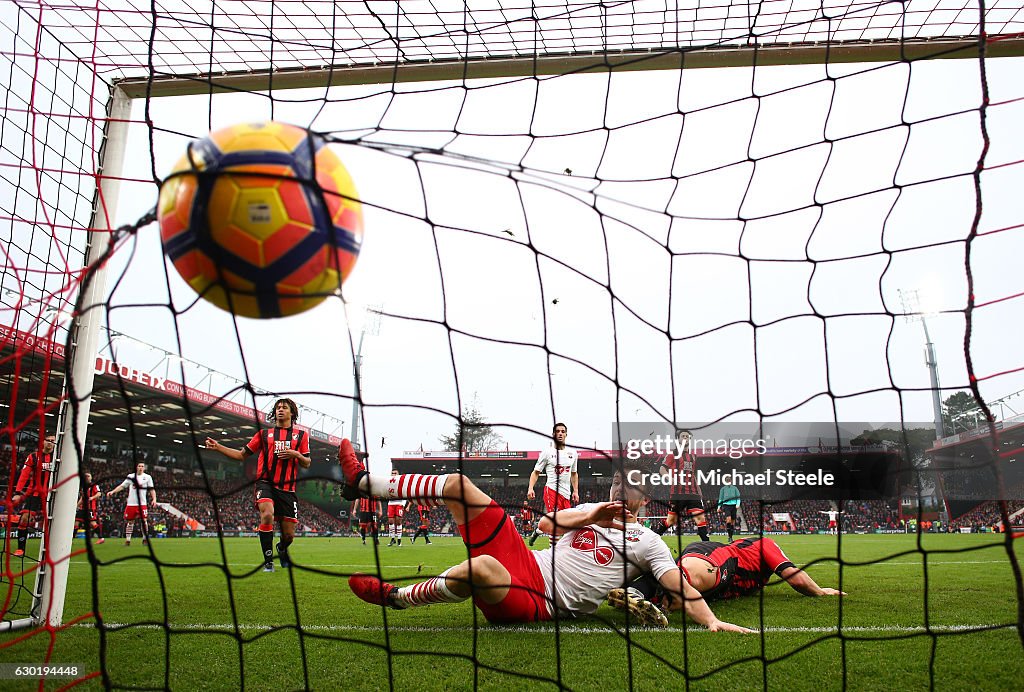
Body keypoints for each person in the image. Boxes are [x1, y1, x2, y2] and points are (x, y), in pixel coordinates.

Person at [340, 439, 750, 632]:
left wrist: (711, 620)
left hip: (540, 602)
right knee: (459, 485)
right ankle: (364, 483)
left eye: (635, 484)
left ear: (645, 497)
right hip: (525, 559)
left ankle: (396, 598)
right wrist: (594, 515)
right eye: (619, 482)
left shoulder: (648, 541)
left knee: (482, 568)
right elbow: (544, 526)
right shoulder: (587, 511)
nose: (624, 487)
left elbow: (676, 582)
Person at [610, 536, 845, 620]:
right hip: (721, 558)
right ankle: (643, 593)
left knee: (683, 586)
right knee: (693, 579)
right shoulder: (765, 544)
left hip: (719, 575)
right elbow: (797, 580)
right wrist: (820, 591)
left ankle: (641, 592)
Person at [205, 398, 311, 572]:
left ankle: (282, 548)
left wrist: (296, 454)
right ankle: (268, 561)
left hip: (287, 488)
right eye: (278, 408)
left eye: (284, 408)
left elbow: (307, 462)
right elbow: (241, 455)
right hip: (265, 483)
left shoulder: (301, 436)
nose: (280, 410)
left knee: (289, 536)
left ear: (292, 413)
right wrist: (219, 447)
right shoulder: (263, 434)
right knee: (267, 514)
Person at [526, 423, 579, 546]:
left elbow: (574, 474)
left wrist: (575, 491)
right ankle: (553, 552)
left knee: (566, 524)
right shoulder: (547, 453)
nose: (560, 433)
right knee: (555, 521)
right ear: (553, 435)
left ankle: (538, 531)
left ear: (566, 434)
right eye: (557, 431)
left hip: (566, 494)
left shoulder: (573, 453)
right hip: (551, 491)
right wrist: (530, 488)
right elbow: (535, 472)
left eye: (562, 431)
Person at [655, 429, 709, 541]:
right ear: (678, 439)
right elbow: (662, 469)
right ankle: (655, 537)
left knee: (700, 517)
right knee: (671, 520)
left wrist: (699, 490)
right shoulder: (672, 454)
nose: (685, 437)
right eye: (682, 436)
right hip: (678, 493)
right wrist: (670, 478)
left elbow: (692, 474)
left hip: (693, 493)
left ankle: (706, 543)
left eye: (687, 436)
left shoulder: (693, 456)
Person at [11, 434, 55, 557]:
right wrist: (18, 492)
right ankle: (20, 549)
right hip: (34, 494)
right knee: (24, 519)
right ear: (42, 442)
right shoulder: (33, 457)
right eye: (48, 440)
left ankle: (56, 550)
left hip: (53, 494)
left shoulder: (57, 458)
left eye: (53, 441)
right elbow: (24, 474)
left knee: (56, 523)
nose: (50, 443)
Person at [106, 462, 156, 546]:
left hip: (142, 503)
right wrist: (113, 491)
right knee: (130, 522)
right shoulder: (131, 476)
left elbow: (152, 489)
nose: (141, 467)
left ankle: (145, 539)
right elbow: (122, 486)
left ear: (144, 468)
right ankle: (127, 541)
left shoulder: (147, 477)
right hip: (131, 504)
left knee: (144, 521)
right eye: (139, 466)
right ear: (136, 467)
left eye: (142, 466)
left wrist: (154, 499)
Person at [76, 471, 105, 545]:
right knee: (76, 523)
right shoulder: (83, 486)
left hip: (90, 508)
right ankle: (71, 540)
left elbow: (99, 493)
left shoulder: (94, 485)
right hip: (82, 508)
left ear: (91, 477)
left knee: (93, 523)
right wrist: (77, 505)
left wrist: (92, 497)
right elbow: (82, 498)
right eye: (86, 476)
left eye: (88, 476)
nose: (87, 477)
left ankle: (101, 538)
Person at [386, 470, 406, 546]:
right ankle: (392, 539)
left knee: (398, 521)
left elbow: (405, 493)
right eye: (392, 473)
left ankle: (399, 540)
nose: (394, 474)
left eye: (395, 473)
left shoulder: (401, 483)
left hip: (399, 503)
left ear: (398, 474)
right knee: (391, 521)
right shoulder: (388, 483)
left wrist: (403, 504)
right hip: (391, 503)